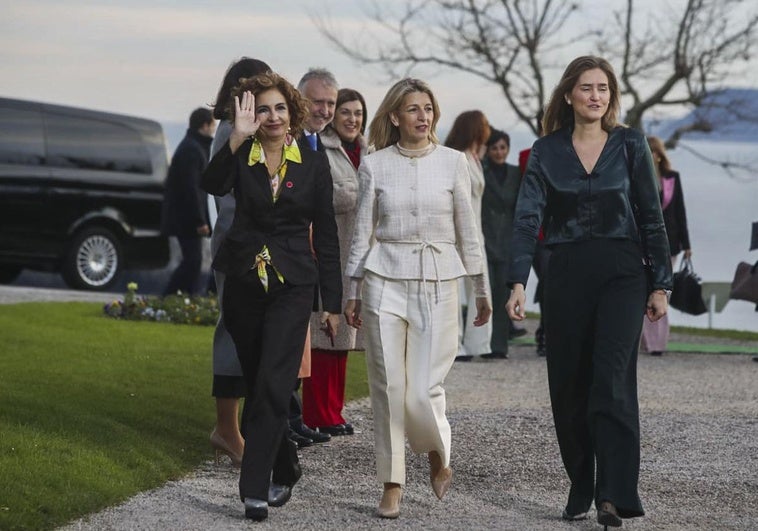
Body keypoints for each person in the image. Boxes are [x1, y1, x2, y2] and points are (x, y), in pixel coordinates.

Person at [505, 56, 672, 528]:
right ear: (569, 95)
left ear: (610, 96)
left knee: (612, 379)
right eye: (586, 88)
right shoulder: (546, 150)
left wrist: (660, 282)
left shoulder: (631, 144)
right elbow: (526, 219)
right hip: (565, 272)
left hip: (623, 271)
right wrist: (518, 279)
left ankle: (614, 494)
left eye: (603, 88)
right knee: (569, 383)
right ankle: (582, 481)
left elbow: (650, 215)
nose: (595, 96)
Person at [344, 78, 492, 519]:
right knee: (389, 386)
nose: (423, 116)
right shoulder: (374, 165)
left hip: (438, 280)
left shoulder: (453, 163)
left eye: (428, 108)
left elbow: (469, 230)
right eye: (413, 108)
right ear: (395, 116)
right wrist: (350, 290)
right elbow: (360, 233)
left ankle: (434, 450)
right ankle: (392, 483)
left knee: (424, 390)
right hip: (384, 278)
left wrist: (481, 289)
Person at [200, 72, 342, 521]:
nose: (273, 116)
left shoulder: (314, 163)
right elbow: (212, 183)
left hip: (294, 284)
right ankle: (285, 464)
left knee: (274, 382)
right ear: (251, 115)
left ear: (292, 111)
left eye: (280, 107)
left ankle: (254, 487)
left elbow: (330, 234)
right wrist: (236, 139)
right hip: (243, 280)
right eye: (263, 109)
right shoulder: (242, 153)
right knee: (259, 377)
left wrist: (331, 302)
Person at [207, 57, 271, 469]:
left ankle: (242, 428)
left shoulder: (243, 131)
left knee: (257, 337)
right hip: (239, 247)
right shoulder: (233, 132)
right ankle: (227, 430)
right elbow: (228, 199)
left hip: (257, 246)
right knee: (233, 333)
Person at [302, 88, 368, 436]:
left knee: (344, 335)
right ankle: (317, 412)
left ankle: (334, 410)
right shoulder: (321, 151)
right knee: (322, 332)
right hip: (329, 251)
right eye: (345, 111)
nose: (351, 119)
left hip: (356, 256)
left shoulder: (368, 152)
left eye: (357, 113)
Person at [282, 68, 342, 448]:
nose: (324, 110)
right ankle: (283, 420)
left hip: (305, 263)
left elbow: (325, 225)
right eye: (317, 101)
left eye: (330, 103)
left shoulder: (317, 146)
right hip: (279, 260)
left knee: (296, 346)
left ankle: (291, 417)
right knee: (285, 348)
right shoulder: (286, 141)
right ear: (299, 101)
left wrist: (331, 298)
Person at [444, 110, 494, 361]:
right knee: (455, 291)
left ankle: (478, 343)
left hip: (476, 233)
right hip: (459, 233)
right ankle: (456, 345)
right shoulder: (459, 159)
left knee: (480, 289)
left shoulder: (474, 158)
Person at [640, 136, 692, 356]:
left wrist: (687, 245)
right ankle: (647, 342)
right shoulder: (638, 178)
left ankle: (657, 344)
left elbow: (680, 212)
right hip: (643, 244)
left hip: (670, 244)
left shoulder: (672, 178)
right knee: (644, 292)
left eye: (651, 152)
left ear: (659, 155)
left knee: (661, 293)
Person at [161, 107, 216, 296]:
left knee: (193, 261)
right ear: (205, 125)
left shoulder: (190, 146)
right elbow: (192, 189)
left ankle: (185, 297)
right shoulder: (192, 150)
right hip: (186, 219)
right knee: (192, 262)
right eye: (212, 125)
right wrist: (200, 221)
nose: (214, 130)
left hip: (184, 217)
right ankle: (171, 297)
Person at [481, 128, 522, 360]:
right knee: (486, 292)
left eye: (503, 147)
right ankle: (483, 343)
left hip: (508, 238)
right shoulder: (481, 171)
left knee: (503, 293)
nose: (499, 152)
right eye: (495, 147)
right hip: (486, 236)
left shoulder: (516, 173)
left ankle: (499, 345)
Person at [518, 110, 548, 356]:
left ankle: (549, 332)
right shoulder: (527, 156)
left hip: (567, 233)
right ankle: (545, 334)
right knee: (549, 281)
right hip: (539, 234)